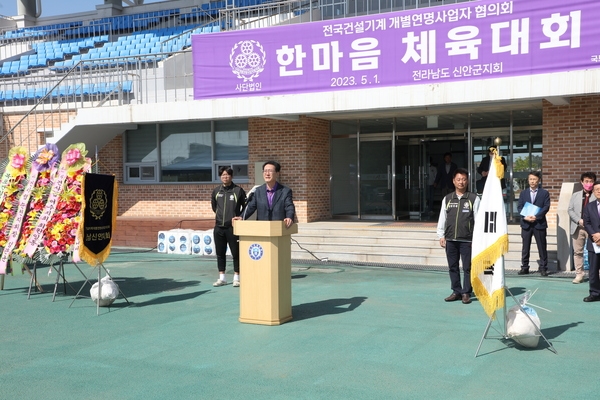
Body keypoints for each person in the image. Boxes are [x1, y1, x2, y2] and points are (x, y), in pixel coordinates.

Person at [436, 168, 480, 304]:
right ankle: (456, 291)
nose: (461, 182)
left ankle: (466, 292)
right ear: (454, 181)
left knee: (468, 267)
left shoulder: (473, 198)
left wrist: (476, 238)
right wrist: (441, 235)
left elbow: (478, 220)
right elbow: (442, 217)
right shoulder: (448, 198)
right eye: (459, 179)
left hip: (467, 239)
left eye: (464, 179)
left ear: (467, 181)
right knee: (452, 267)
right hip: (450, 239)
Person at [211, 166, 247, 287]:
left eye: (227, 175)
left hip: (233, 228)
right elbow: (214, 207)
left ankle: (237, 277)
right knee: (220, 253)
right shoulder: (216, 191)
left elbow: (246, 207)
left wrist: (239, 217)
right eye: (222, 175)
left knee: (236, 253)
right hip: (219, 227)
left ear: (231, 176)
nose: (225, 177)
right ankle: (222, 278)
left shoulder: (238, 191)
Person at [237, 160, 296, 228]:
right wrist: (241, 217)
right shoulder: (258, 191)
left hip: (279, 228)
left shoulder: (285, 191)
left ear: (277, 173)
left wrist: (289, 217)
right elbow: (250, 207)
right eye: (265, 171)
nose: (267, 174)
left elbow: (289, 206)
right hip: (262, 228)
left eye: (270, 171)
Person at [517, 171, 550, 276]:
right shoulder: (523, 193)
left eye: (534, 179)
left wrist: (536, 216)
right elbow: (519, 207)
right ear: (528, 180)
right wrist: (525, 216)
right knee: (525, 247)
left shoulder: (544, 193)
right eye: (530, 179)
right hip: (526, 224)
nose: (532, 181)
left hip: (539, 223)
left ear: (538, 180)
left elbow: (546, 207)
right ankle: (525, 267)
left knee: (542, 247)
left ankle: (543, 268)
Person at [568, 172, 596, 284]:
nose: (588, 184)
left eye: (591, 181)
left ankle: (595, 274)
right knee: (577, 252)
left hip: (593, 228)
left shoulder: (597, 195)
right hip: (577, 227)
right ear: (582, 182)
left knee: (595, 252)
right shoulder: (575, 195)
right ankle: (579, 274)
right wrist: (579, 220)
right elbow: (570, 210)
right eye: (586, 181)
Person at [582, 180, 600, 302]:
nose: (599, 191)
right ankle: (594, 293)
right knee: (593, 270)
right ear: (593, 192)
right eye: (597, 189)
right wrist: (595, 235)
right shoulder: (589, 206)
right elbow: (586, 223)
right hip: (594, 242)